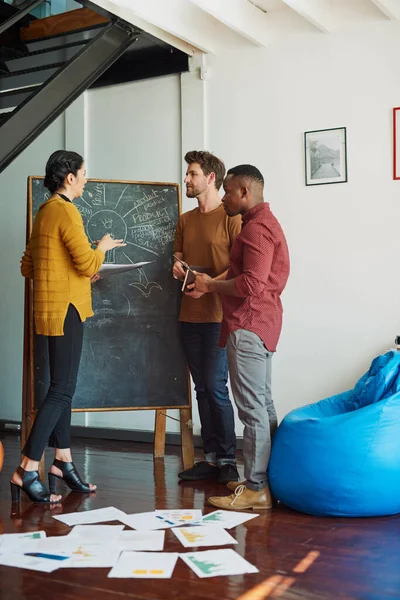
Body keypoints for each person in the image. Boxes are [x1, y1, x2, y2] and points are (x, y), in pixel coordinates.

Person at [10, 150, 125, 504]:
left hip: (48, 311)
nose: (87, 179)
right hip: (68, 309)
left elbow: (28, 267)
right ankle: (27, 467)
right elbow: (88, 262)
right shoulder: (67, 212)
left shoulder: (43, 213)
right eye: (84, 173)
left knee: (62, 388)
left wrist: (63, 267)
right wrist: (102, 248)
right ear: (70, 178)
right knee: (61, 389)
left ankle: (62, 461)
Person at [193, 164, 290, 510]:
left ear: (245, 192)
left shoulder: (256, 230)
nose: (223, 197)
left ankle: (256, 488)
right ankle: (264, 480)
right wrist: (207, 285)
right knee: (262, 405)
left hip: (249, 326)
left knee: (252, 410)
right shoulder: (261, 224)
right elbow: (245, 274)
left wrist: (212, 285)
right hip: (261, 325)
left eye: (228, 191)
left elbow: (251, 284)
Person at [173, 150, 242, 484]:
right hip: (189, 316)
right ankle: (211, 459)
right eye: (187, 174)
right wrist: (177, 267)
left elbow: (239, 265)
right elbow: (179, 257)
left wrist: (208, 286)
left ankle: (228, 458)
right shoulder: (185, 220)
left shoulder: (231, 217)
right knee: (201, 388)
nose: (186, 179)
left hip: (218, 316)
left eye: (192, 174)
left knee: (215, 387)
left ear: (211, 177)